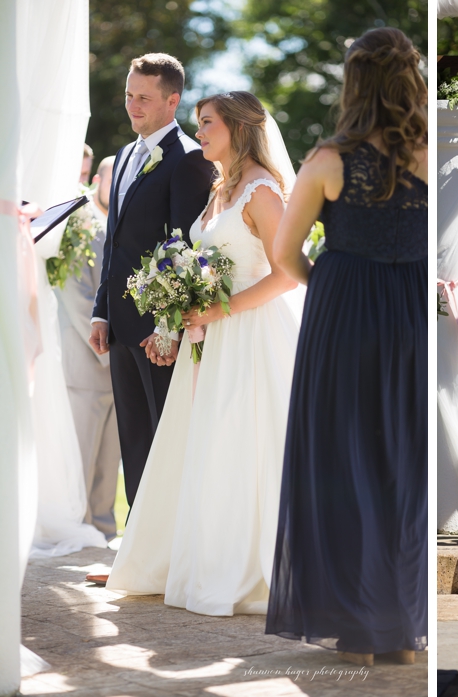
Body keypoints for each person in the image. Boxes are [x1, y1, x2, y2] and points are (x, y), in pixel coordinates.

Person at [266, 27, 428, 666]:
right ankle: (402, 632)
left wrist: (332, 287)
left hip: (344, 319)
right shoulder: (426, 152)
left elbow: (284, 253)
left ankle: (358, 629)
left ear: (353, 83)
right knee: (402, 467)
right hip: (409, 315)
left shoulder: (328, 160)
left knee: (344, 465)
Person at [105, 91, 301, 616]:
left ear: (237, 128)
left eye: (208, 123)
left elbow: (289, 273)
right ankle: (204, 559)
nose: (202, 132)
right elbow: (202, 273)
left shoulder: (262, 190)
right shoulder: (221, 188)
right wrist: (172, 323)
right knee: (212, 446)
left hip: (253, 333)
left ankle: (254, 571)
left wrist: (222, 312)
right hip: (213, 337)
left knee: (250, 444)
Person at [88, 53, 215, 522]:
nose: (132, 105)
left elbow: (185, 248)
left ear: (172, 100)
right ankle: (137, 555)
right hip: (120, 326)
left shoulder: (190, 159)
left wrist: (168, 326)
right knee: (135, 440)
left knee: (168, 439)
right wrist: (102, 311)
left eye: (144, 97)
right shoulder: (122, 157)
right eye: (129, 95)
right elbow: (115, 243)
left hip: (160, 332)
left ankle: (173, 553)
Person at [57, 155, 121, 539]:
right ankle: (77, 527)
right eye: (110, 180)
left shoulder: (123, 225)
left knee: (110, 456)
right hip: (86, 356)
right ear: (97, 179)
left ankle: (104, 527)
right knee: (80, 451)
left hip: (118, 362)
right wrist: (106, 347)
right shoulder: (79, 225)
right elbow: (75, 295)